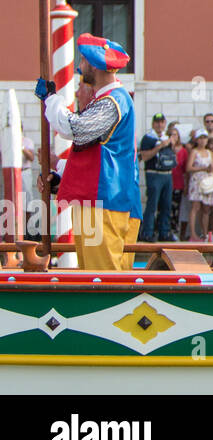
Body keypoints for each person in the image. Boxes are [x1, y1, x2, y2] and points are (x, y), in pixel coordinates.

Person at [36, 34, 140, 271]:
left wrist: (51, 101)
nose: (79, 66)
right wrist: (62, 177)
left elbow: (74, 128)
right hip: (99, 200)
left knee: (103, 280)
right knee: (93, 275)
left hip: (107, 201)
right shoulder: (105, 100)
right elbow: (93, 155)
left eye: (83, 61)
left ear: (95, 65)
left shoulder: (113, 100)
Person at [137, 112, 176, 242]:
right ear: (153, 124)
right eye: (157, 122)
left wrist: (172, 142)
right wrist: (159, 146)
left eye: (161, 122)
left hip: (167, 174)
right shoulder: (148, 138)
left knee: (166, 205)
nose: (159, 125)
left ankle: (164, 232)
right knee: (152, 205)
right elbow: (144, 156)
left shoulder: (168, 137)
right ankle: (147, 232)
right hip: (154, 174)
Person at [187, 134, 213, 240]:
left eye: (204, 138)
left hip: (208, 182)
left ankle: (205, 234)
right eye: (200, 138)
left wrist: (211, 168)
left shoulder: (210, 153)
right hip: (197, 181)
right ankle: (193, 234)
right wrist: (202, 168)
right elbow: (189, 167)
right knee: (196, 207)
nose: (202, 140)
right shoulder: (194, 152)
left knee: (206, 208)